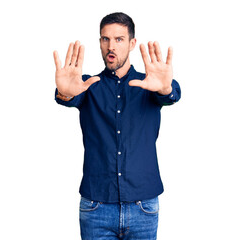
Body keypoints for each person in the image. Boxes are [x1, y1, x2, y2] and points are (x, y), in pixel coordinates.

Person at [53, 12, 181, 240]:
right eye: (105, 39)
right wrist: (64, 92)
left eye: (119, 39)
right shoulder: (87, 86)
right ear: (100, 42)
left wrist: (165, 88)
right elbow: (68, 96)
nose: (111, 46)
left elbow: (171, 94)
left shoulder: (149, 84)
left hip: (143, 206)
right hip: (96, 207)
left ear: (132, 43)